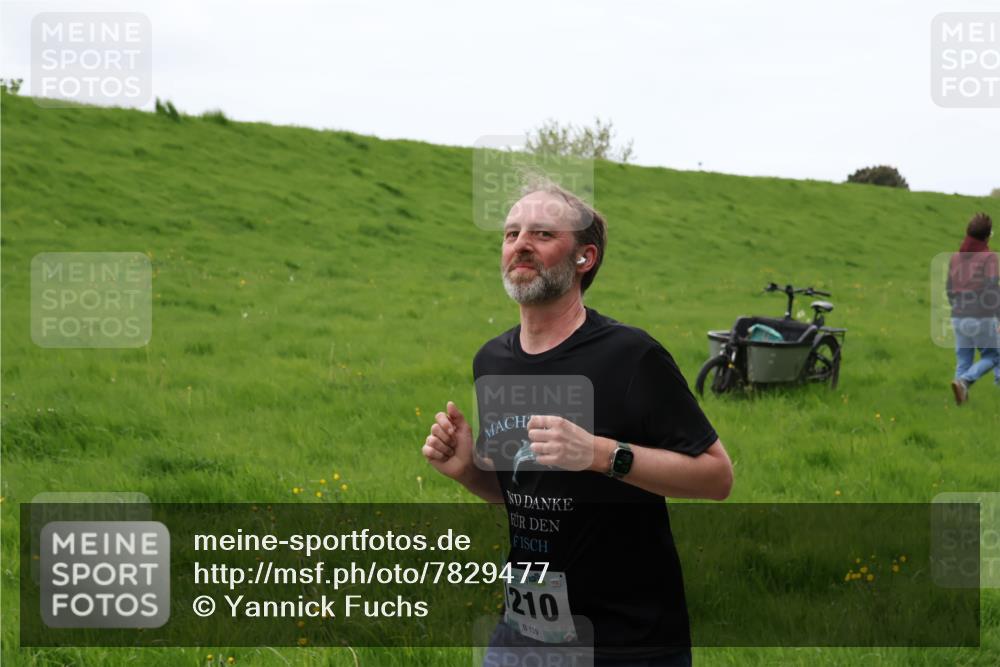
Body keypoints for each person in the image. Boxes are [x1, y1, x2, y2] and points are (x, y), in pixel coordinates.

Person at [422, 178, 734, 666]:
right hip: (523, 631)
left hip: (626, 641)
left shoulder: (632, 356)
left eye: (542, 234)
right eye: (511, 233)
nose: (520, 244)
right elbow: (529, 497)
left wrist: (599, 454)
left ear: (584, 258)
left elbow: (717, 477)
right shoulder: (493, 361)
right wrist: (467, 469)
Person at [946, 212, 1000, 405]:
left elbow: (949, 289)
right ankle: (964, 381)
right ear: (987, 236)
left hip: (958, 315)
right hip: (980, 315)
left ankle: (959, 403)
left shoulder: (954, 258)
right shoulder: (989, 258)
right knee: (994, 356)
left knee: (964, 360)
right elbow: (992, 289)